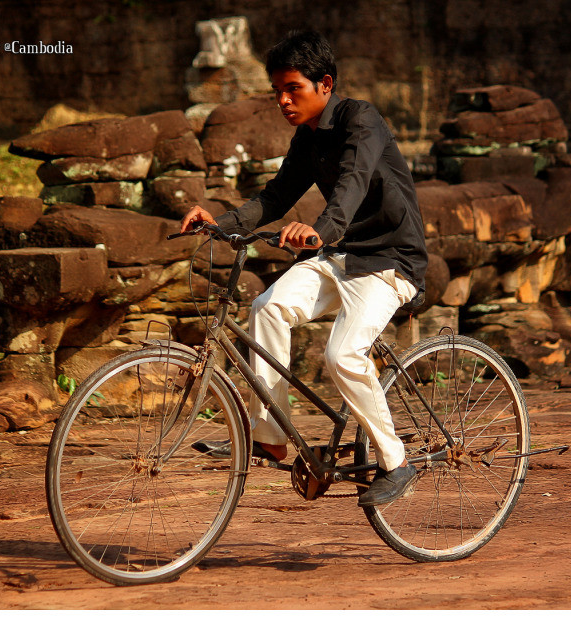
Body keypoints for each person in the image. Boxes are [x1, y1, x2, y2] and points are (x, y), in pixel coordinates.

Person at [180, 30, 428, 506]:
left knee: (342, 356)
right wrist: (221, 220)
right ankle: (270, 435)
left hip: (389, 260)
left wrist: (320, 231)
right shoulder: (306, 139)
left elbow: (351, 186)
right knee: (266, 308)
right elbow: (275, 197)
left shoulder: (362, 121)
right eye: (277, 91)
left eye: (293, 88)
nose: (283, 100)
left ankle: (396, 462)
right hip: (340, 256)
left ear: (325, 85)